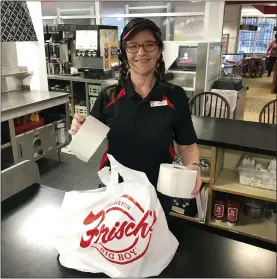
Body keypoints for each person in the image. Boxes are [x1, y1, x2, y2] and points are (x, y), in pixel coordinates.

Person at [69, 18, 202, 216]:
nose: (141, 52)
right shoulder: (109, 95)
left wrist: (194, 166)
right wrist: (78, 132)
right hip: (116, 188)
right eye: (132, 46)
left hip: (158, 189)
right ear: (124, 53)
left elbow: (187, 144)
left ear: (159, 50)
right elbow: (84, 146)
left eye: (149, 44)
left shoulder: (175, 96)